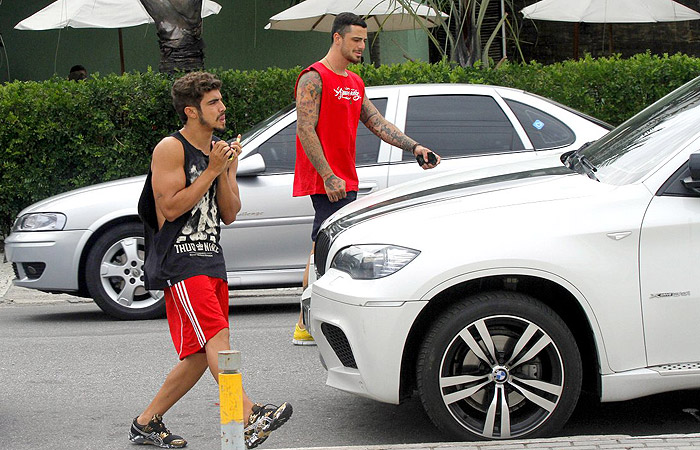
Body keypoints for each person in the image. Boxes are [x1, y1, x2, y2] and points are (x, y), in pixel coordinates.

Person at [134, 71, 292, 449]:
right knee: (218, 341)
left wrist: (224, 170)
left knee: (199, 356)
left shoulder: (220, 150)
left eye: (221, 100)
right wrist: (210, 170)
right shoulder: (170, 149)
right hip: (182, 262)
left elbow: (231, 211)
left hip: (212, 260)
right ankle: (250, 414)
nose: (223, 108)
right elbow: (170, 208)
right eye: (213, 103)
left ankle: (146, 422)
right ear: (191, 111)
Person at [292, 12, 441, 346]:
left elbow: (377, 123)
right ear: (337, 38)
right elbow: (305, 128)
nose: (362, 45)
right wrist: (328, 175)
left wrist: (414, 147)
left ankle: (306, 320)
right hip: (327, 180)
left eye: (363, 39)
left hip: (347, 178)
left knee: (322, 245)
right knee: (326, 248)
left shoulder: (353, 82)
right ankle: (307, 322)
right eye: (356, 39)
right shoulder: (314, 78)